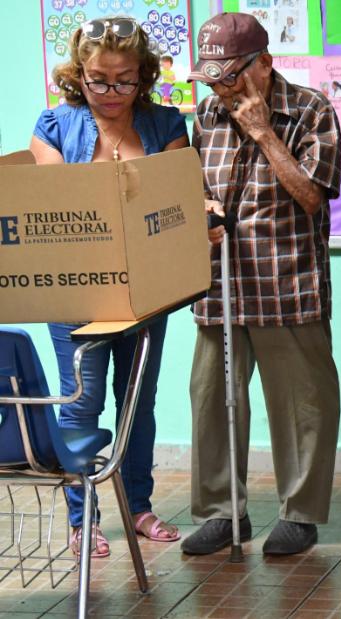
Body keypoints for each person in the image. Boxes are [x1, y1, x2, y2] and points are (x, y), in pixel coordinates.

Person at [181, 12, 341, 557]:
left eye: (231, 77)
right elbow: (191, 187)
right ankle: (224, 513)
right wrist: (197, 208)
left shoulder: (311, 109)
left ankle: (300, 515)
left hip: (288, 283)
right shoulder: (203, 115)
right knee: (210, 399)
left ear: (264, 64)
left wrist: (264, 133)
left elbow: (313, 195)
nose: (222, 89)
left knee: (302, 406)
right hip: (220, 285)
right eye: (214, 79)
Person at [29, 16, 189, 558]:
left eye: (124, 79)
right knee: (82, 399)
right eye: (99, 79)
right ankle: (83, 519)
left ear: (143, 76)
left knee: (136, 401)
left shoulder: (167, 124)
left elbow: (172, 202)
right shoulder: (53, 124)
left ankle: (137, 506)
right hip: (77, 288)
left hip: (147, 287)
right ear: (78, 74)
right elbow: (59, 201)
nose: (112, 92)